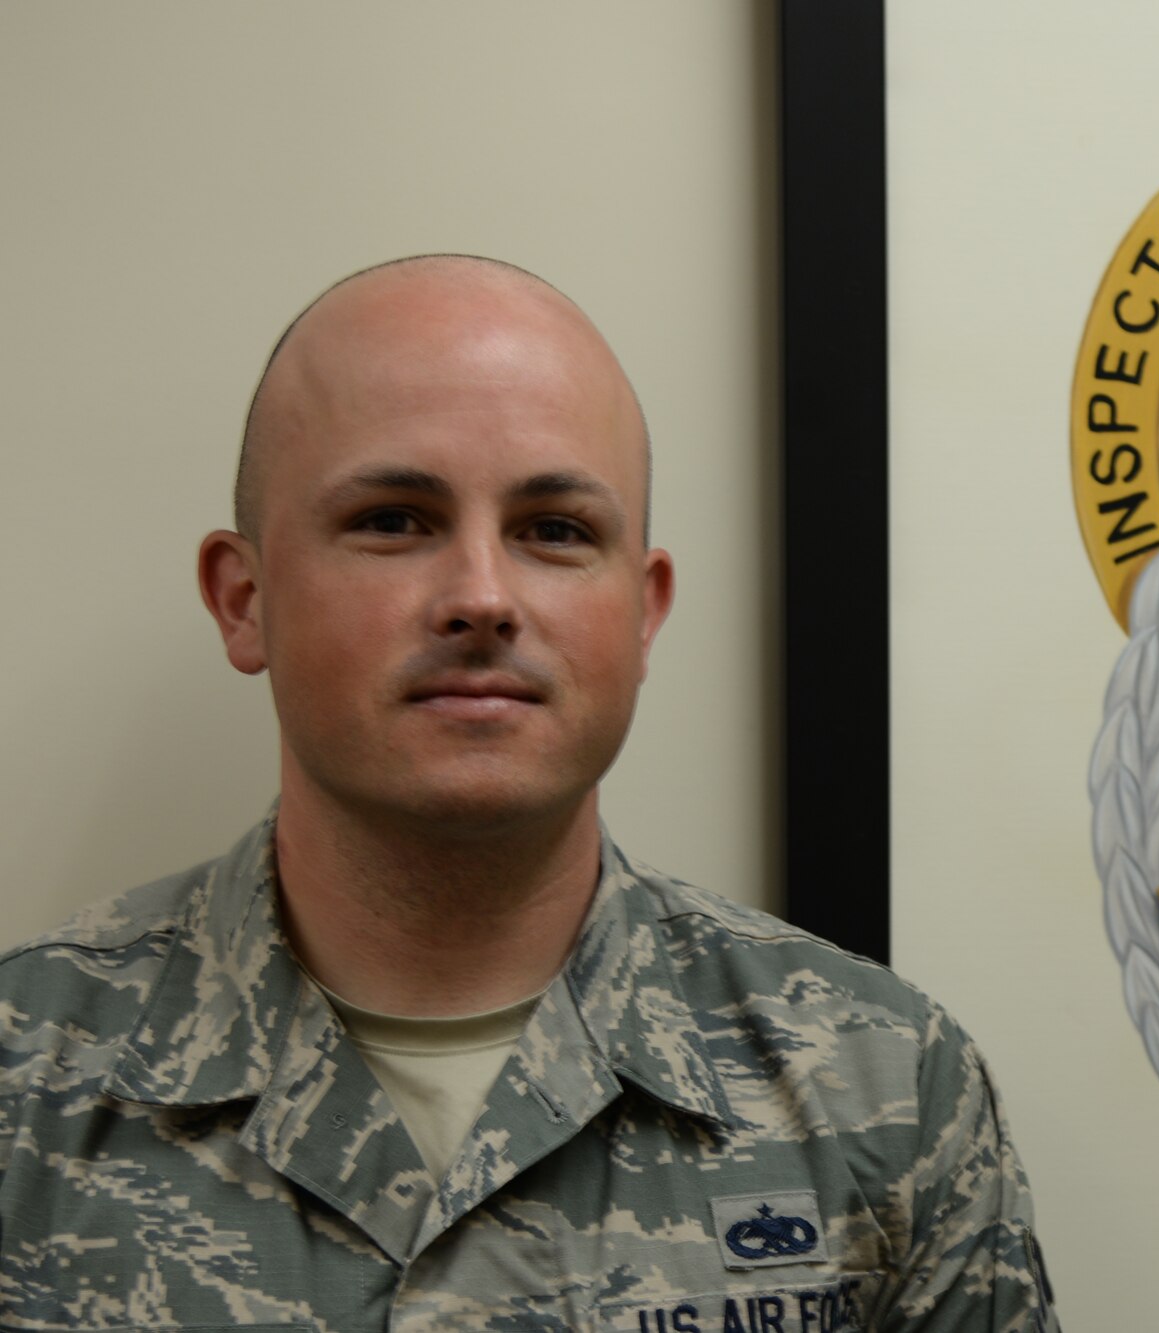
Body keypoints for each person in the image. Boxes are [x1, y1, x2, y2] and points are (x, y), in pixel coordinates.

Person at [0, 256, 1057, 1331]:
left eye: (555, 529)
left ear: (643, 613)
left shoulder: (884, 1088)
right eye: (393, 519)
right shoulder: (21, 1083)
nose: (481, 597)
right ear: (245, 599)